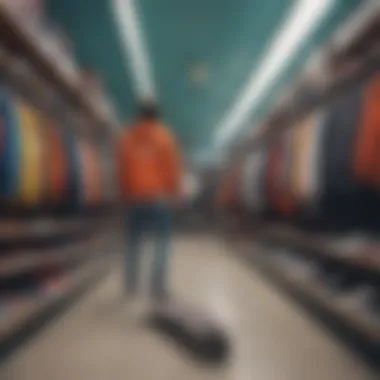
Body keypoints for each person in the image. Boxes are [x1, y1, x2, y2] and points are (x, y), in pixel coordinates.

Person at [117, 103, 182, 301]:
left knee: (132, 243)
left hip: (134, 198)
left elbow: (122, 170)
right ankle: (157, 287)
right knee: (161, 242)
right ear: (157, 117)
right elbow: (172, 168)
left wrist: (125, 194)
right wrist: (174, 193)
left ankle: (130, 284)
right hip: (158, 198)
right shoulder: (165, 138)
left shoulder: (127, 138)